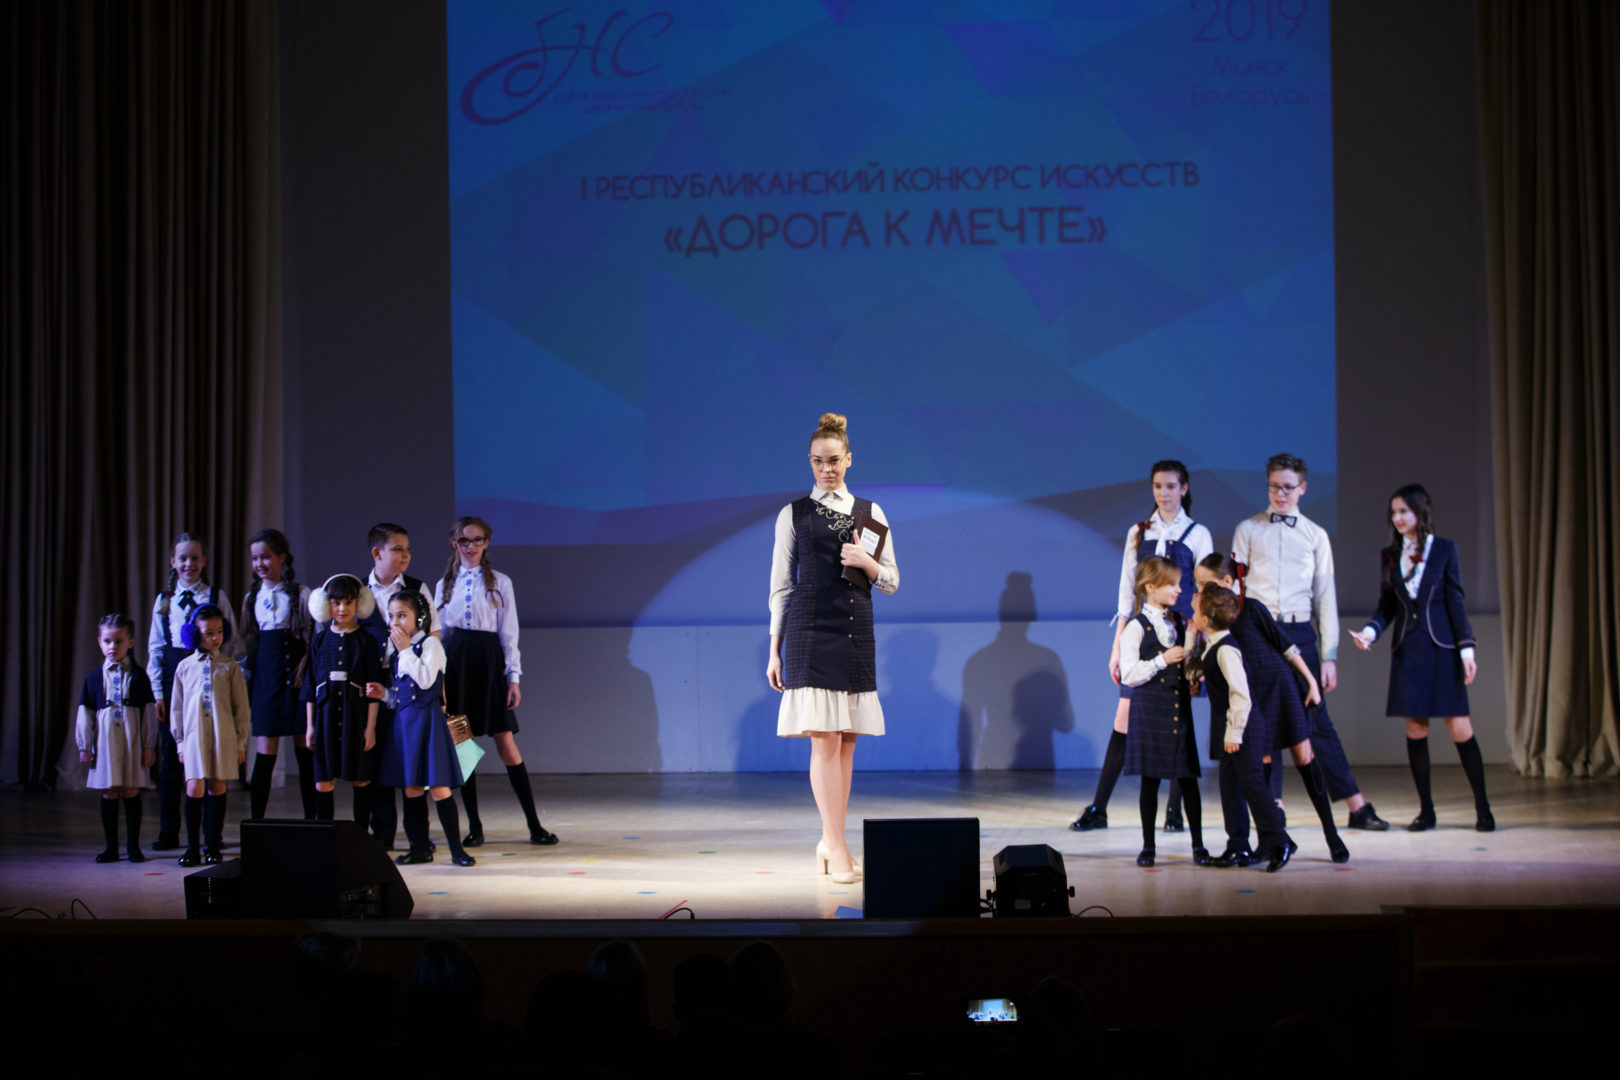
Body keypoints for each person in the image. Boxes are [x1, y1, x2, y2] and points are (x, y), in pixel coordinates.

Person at [767, 412, 898, 885]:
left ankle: (831, 841)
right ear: (810, 461)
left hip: (855, 629)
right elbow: (782, 586)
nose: (827, 469)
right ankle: (836, 844)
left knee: (846, 743)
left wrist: (866, 562)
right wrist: (774, 649)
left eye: (835, 461)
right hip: (809, 629)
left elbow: (891, 581)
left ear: (849, 459)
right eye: (819, 461)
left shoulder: (870, 512)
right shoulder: (794, 514)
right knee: (823, 739)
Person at [1231, 454, 1390, 831]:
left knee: (1316, 722)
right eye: (1274, 486)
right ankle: (1274, 806)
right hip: (1258, 632)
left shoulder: (1315, 535)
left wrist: (1329, 655)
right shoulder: (1247, 529)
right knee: (1264, 722)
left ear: (1303, 488)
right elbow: (1235, 590)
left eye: (1288, 487)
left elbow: (1325, 597)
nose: (1280, 494)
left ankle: (1356, 805)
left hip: (1300, 633)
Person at [1073, 460, 1212, 833]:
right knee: (1123, 718)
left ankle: (1174, 811)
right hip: (1143, 632)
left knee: (1179, 720)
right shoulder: (1138, 531)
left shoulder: (1198, 534)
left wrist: (1200, 647)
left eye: (1170, 486)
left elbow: (1204, 592)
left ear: (1184, 489)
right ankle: (1099, 807)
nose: (1163, 493)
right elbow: (1126, 591)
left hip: (1182, 635)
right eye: (1157, 486)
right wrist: (1117, 646)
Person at [1350, 484, 1493, 831]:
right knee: (1416, 730)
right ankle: (1426, 811)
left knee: (1460, 728)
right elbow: (1387, 606)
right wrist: (1369, 632)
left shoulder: (1444, 549)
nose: (1398, 518)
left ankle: (1483, 807)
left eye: (1404, 511)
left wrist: (1467, 649)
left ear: (1420, 512)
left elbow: (1456, 600)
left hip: (1442, 649)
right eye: (1394, 512)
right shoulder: (1389, 555)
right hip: (1408, 651)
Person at [1195, 555, 1348, 864]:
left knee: (1304, 759)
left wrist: (1311, 681)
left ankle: (1332, 834)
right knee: (1257, 767)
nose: (1199, 590)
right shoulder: (1211, 616)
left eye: (1204, 583)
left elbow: (1286, 646)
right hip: (1249, 697)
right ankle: (1270, 840)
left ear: (1227, 582)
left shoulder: (1251, 609)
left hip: (1277, 689)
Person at [435, 516, 556, 847]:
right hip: (456, 666)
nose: (470, 546)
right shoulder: (445, 584)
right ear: (454, 544)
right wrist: (438, 682)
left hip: (489, 664)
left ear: (487, 543)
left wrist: (513, 678)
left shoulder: (501, 582)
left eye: (477, 540)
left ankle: (534, 825)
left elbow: (509, 632)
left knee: (506, 743)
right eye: (464, 541)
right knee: (463, 747)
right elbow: (438, 634)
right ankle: (475, 827)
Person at [1191, 586, 1295, 870]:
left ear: (1206, 619)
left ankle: (1281, 840)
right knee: (1230, 786)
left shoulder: (1226, 649)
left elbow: (1241, 695)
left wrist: (1234, 733)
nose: (1192, 614)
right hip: (1231, 727)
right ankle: (1237, 845)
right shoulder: (1213, 645)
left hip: (1244, 727)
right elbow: (1191, 671)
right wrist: (1190, 637)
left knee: (1253, 784)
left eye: (1195, 610)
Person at [146, 532, 235, 850]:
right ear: (173, 561)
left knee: (210, 759)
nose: (189, 564)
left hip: (209, 676)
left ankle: (212, 835)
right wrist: (158, 693)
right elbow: (156, 647)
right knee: (173, 759)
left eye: (195, 558)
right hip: (175, 677)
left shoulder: (215, 595)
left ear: (204, 561)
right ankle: (169, 831)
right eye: (183, 558)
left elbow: (231, 642)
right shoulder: (165, 601)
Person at [371, 591, 474, 866]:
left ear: (420, 617)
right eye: (391, 616)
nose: (395, 622)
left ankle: (457, 851)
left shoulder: (431, 644)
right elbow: (401, 695)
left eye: (402, 615)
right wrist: (384, 694)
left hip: (427, 722)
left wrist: (406, 650)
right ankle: (419, 848)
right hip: (405, 725)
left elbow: (426, 681)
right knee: (412, 788)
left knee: (439, 787)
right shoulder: (396, 651)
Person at [1118, 557, 1208, 867]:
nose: (1179, 589)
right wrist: (1162, 660)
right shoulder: (1135, 628)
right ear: (1150, 587)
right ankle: (1148, 846)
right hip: (1150, 708)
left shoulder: (1180, 623)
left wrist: (1193, 674)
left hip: (1178, 709)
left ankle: (1198, 845)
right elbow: (1129, 674)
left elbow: (1189, 661)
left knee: (1187, 778)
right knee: (1151, 780)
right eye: (1172, 584)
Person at [357, 522, 440, 849]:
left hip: (409, 682)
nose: (406, 555)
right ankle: (383, 836)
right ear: (377, 553)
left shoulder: (417, 589)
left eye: (408, 549)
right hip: (373, 685)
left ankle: (419, 838)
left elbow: (434, 632)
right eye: (398, 549)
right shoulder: (359, 590)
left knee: (411, 760)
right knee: (378, 761)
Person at [241, 528, 316, 820]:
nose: (260, 564)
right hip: (266, 680)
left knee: (304, 749)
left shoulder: (300, 594)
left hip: (296, 680)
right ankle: (256, 822)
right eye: (255, 558)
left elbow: (312, 636)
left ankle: (313, 820)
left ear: (282, 556)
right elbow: (250, 641)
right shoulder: (252, 598)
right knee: (265, 752)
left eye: (266, 557)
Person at [168, 604, 250, 865]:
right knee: (194, 787)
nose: (215, 638)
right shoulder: (184, 667)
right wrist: (180, 742)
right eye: (208, 633)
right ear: (193, 634)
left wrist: (240, 743)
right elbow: (177, 708)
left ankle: (213, 845)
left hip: (222, 737)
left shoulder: (229, 667)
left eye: (219, 632)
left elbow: (241, 709)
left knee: (217, 786)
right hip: (194, 737)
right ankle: (192, 848)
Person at [302, 574, 382, 823]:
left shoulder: (366, 641)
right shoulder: (320, 641)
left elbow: (373, 689)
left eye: (349, 602)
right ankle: (325, 835)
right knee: (324, 780)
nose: (342, 609)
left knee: (361, 778)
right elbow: (310, 687)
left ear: (359, 603)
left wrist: (370, 728)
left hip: (355, 718)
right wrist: (310, 726)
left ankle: (361, 836)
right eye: (336, 603)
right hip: (325, 718)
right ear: (326, 605)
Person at [77, 613, 157, 862]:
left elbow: (148, 714)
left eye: (119, 641)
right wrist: (85, 745)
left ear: (130, 642)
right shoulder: (93, 678)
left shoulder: (139, 676)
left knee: (131, 790)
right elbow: (86, 713)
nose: (113, 647)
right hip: (105, 742)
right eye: (107, 641)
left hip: (132, 740)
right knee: (109, 791)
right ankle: (111, 847)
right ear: (99, 642)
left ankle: (133, 847)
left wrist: (148, 745)